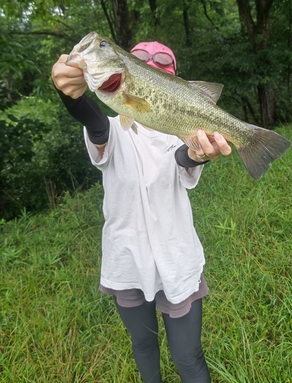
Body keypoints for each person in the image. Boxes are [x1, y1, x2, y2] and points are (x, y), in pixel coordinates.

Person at [52, 40, 231, 383]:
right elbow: (95, 124)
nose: (151, 61)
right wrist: (70, 96)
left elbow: (183, 158)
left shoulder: (185, 132)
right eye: (140, 58)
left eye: (162, 60)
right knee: (143, 346)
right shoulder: (114, 127)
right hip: (127, 261)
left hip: (177, 261)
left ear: (173, 76)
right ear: (129, 69)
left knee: (188, 357)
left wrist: (197, 154)